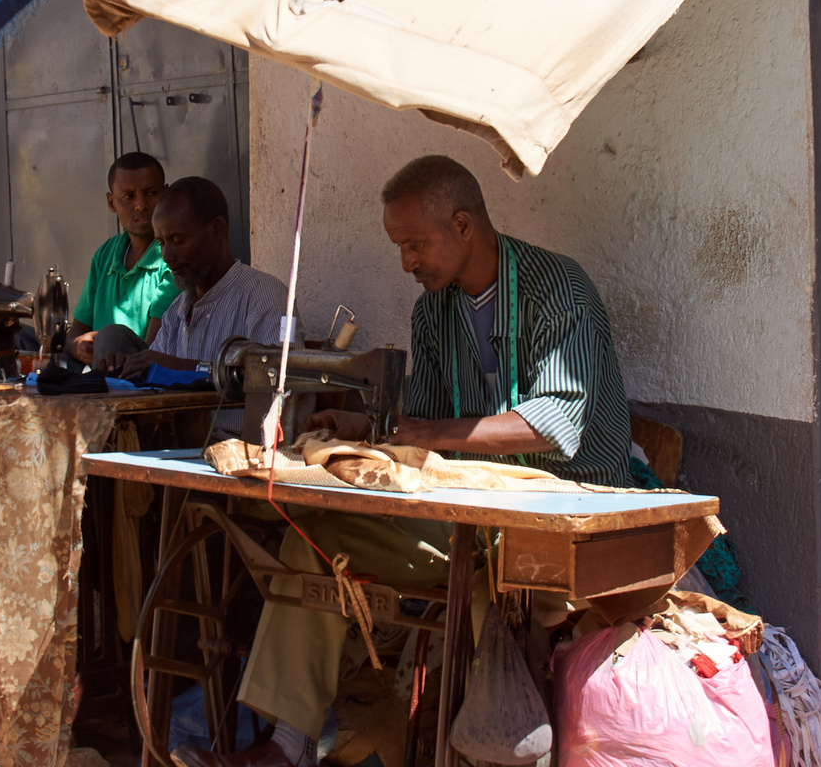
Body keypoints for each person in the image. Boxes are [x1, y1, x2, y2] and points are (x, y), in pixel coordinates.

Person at [173, 155, 631, 767]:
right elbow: (426, 420)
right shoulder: (435, 309)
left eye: (416, 244)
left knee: (487, 588)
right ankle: (288, 746)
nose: (407, 262)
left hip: (565, 515)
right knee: (312, 540)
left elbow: (555, 425)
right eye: (400, 247)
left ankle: (488, 750)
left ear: (464, 225)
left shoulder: (559, 290)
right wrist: (366, 426)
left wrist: (417, 429)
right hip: (475, 508)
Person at [100, 176, 298, 380]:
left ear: (217, 229)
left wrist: (183, 367)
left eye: (178, 240)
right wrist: (128, 369)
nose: (167, 256)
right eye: (162, 243)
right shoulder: (176, 312)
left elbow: (279, 377)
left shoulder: (264, 297)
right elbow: (158, 369)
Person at [69, 152, 181, 370]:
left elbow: (153, 352)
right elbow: (75, 333)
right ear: (111, 203)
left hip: (143, 377)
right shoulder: (106, 254)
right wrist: (79, 346)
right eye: (129, 196)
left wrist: (107, 343)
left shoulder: (172, 258)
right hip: (100, 375)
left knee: (111, 336)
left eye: (151, 193)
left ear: (165, 195)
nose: (140, 205)